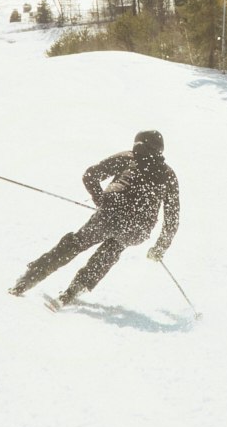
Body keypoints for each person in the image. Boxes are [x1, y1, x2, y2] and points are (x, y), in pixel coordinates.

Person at [10, 130, 180, 305]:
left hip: (111, 214)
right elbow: (172, 219)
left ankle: (28, 279)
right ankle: (74, 290)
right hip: (138, 228)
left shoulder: (128, 157)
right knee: (112, 250)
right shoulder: (168, 175)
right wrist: (159, 248)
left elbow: (90, 175)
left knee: (76, 243)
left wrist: (101, 200)